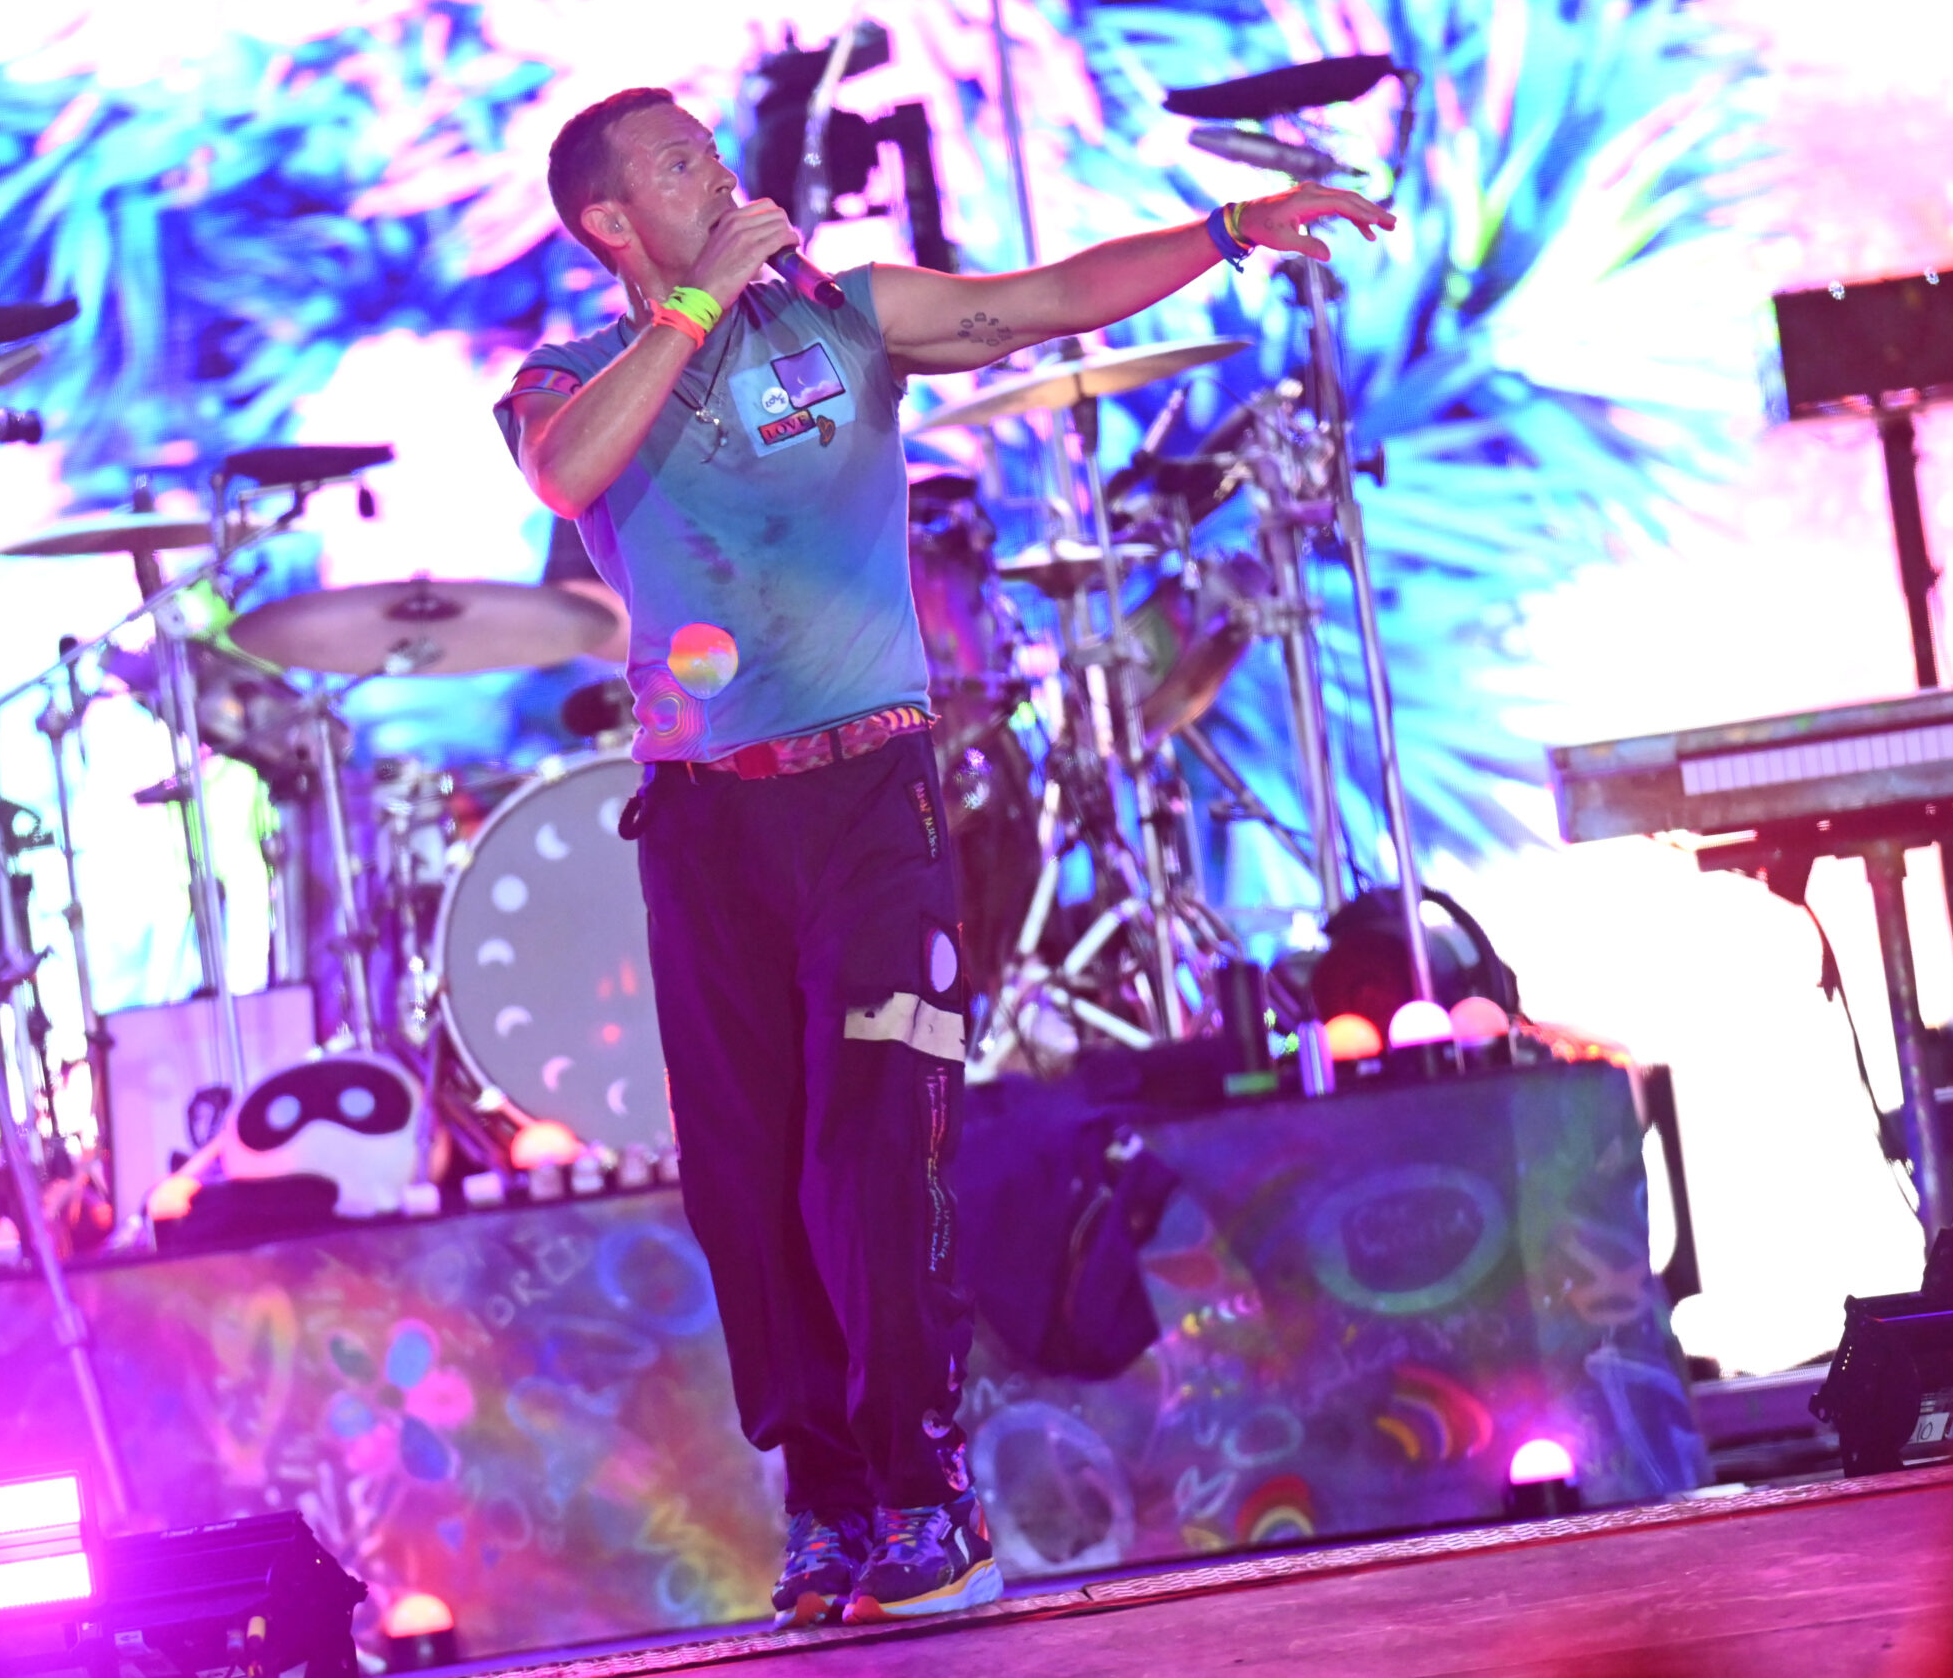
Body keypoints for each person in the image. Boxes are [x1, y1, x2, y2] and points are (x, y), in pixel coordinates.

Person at [492, 86, 1393, 1627]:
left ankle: (929, 1495)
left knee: (874, 1151)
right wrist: (692, 312)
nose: (719, 167)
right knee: (749, 1187)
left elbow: (1042, 301)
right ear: (611, 223)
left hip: (870, 802)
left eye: (712, 146)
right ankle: (831, 1502)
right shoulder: (568, 377)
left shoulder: (844, 320)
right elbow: (568, 474)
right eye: (679, 161)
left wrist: (1233, 228)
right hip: (705, 820)